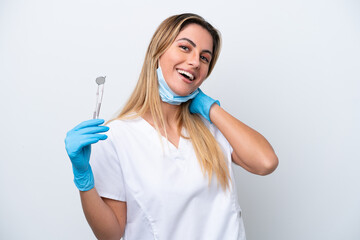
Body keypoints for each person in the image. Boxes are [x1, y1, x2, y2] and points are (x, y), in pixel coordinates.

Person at [65, 13, 278, 240]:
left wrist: (211, 108)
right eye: (186, 48)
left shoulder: (213, 128)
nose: (196, 61)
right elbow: (110, 235)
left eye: (205, 58)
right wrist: (83, 178)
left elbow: (266, 162)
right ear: (158, 53)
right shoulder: (116, 136)